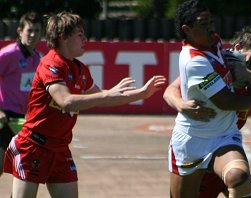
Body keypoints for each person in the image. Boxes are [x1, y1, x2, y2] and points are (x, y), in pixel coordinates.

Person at [3, 11, 166, 198]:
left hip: (60, 148)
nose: (85, 39)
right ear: (64, 38)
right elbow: (66, 102)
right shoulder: (50, 64)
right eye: (80, 35)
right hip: (33, 146)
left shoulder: (79, 69)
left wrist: (142, 93)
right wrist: (107, 95)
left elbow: (105, 96)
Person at [167, 1, 251, 197]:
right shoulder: (194, 61)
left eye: (211, 21)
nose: (211, 28)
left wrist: (246, 71)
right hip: (191, 142)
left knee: (238, 176)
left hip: (223, 137)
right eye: (203, 24)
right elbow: (227, 102)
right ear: (187, 30)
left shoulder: (215, 43)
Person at [0, 11, 43, 177]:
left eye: (37, 31)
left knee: (25, 172)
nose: (32, 35)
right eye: (29, 30)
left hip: (26, 122)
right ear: (19, 31)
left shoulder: (39, 59)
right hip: (5, 120)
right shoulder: (8, 54)